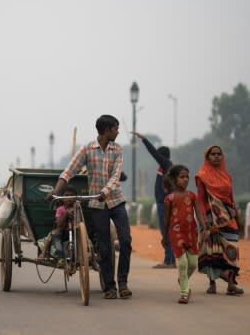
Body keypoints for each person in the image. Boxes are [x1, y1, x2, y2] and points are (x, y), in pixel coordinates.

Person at [47, 114, 132, 300]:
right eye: (116, 129)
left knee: (125, 241)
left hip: (116, 200)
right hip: (96, 203)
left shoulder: (117, 149)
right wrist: (56, 191)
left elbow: (116, 175)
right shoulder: (87, 149)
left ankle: (123, 282)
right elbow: (69, 171)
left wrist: (105, 191)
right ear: (107, 130)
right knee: (103, 245)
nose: (118, 132)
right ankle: (110, 286)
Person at [195, 145, 244, 296]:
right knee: (212, 250)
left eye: (219, 154)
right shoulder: (201, 175)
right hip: (211, 219)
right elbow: (202, 200)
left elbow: (231, 199)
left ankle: (230, 284)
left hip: (229, 218)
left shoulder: (227, 176)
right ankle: (212, 283)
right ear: (207, 157)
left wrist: (237, 217)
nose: (216, 156)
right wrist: (206, 221)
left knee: (232, 250)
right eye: (213, 154)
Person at [131, 131, 175, 268]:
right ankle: (169, 259)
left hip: (164, 204)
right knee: (166, 231)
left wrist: (144, 139)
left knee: (166, 232)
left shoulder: (166, 164)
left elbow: (154, 153)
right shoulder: (164, 168)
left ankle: (169, 260)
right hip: (163, 203)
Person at [162, 165, 205, 304]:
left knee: (193, 263)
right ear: (174, 180)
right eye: (182, 177)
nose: (185, 179)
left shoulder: (192, 196)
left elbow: (198, 212)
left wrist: (205, 226)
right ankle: (185, 292)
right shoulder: (169, 198)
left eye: (187, 177)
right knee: (183, 263)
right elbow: (166, 219)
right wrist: (165, 236)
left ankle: (182, 279)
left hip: (191, 232)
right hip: (176, 233)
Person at [39, 185, 77, 259]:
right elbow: (59, 224)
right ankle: (43, 253)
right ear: (62, 198)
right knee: (52, 234)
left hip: (74, 231)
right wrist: (66, 213)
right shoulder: (60, 209)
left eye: (72, 196)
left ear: (75, 198)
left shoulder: (77, 207)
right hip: (62, 231)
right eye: (66, 195)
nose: (69, 198)